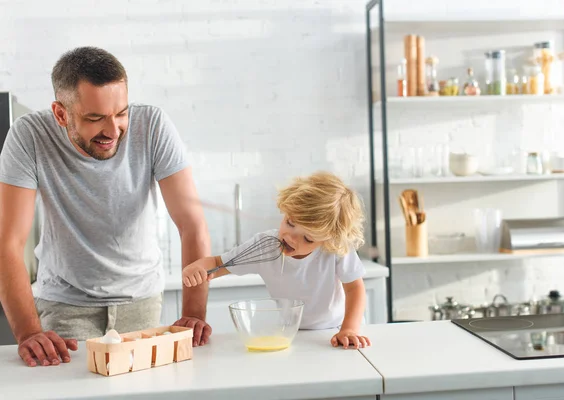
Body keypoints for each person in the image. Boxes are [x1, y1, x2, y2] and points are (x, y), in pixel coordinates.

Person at [0, 46, 212, 367]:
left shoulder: (152, 125)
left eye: (121, 113)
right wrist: (29, 332)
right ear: (60, 113)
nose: (113, 131)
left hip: (142, 302)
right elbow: (9, 243)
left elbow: (191, 224)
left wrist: (193, 314)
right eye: (95, 118)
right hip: (65, 308)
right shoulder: (29, 135)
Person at [183, 171, 371, 349]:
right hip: (292, 333)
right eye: (290, 223)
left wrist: (350, 329)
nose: (291, 237)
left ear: (328, 239)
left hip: (336, 331)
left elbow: (355, 288)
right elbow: (217, 264)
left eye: (308, 238)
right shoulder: (265, 246)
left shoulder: (336, 250)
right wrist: (197, 267)